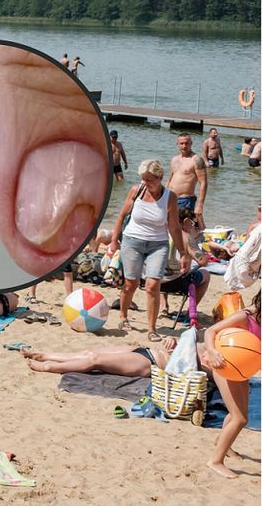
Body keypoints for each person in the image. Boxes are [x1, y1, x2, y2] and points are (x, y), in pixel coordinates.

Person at [109, 159, 191, 341]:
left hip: (158, 244)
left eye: (149, 179)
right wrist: (114, 240)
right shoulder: (136, 190)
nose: (145, 182)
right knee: (131, 284)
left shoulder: (170, 197)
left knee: (153, 285)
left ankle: (152, 329)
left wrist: (183, 253)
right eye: (143, 179)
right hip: (132, 241)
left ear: (160, 177)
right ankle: (123, 316)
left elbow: (174, 227)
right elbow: (122, 216)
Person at [201, 290, 260, 479]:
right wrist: (211, 351)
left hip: (241, 368)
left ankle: (223, 443)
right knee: (240, 418)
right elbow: (210, 331)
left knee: (238, 413)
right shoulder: (245, 316)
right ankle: (215, 461)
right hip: (224, 366)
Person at [23, 336, 184, 376]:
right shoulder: (197, 340)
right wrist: (173, 340)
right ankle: (45, 355)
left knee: (95, 360)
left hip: (151, 363)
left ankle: (48, 367)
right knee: (90, 353)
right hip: (148, 351)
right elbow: (183, 344)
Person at [158, 207, 210, 318]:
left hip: (154, 281)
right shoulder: (185, 237)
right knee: (206, 274)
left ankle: (163, 305)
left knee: (163, 266)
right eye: (194, 224)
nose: (195, 227)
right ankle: (189, 312)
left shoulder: (159, 232)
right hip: (176, 284)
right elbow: (203, 261)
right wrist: (193, 239)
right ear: (187, 222)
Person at [167, 132, 208, 229]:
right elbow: (170, 180)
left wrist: (200, 205)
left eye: (186, 143)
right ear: (177, 144)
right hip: (171, 198)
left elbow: (203, 183)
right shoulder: (174, 159)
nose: (184, 146)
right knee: (169, 226)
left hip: (185, 200)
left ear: (191, 143)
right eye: (181, 143)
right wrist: (163, 196)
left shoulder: (196, 160)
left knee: (185, 229)